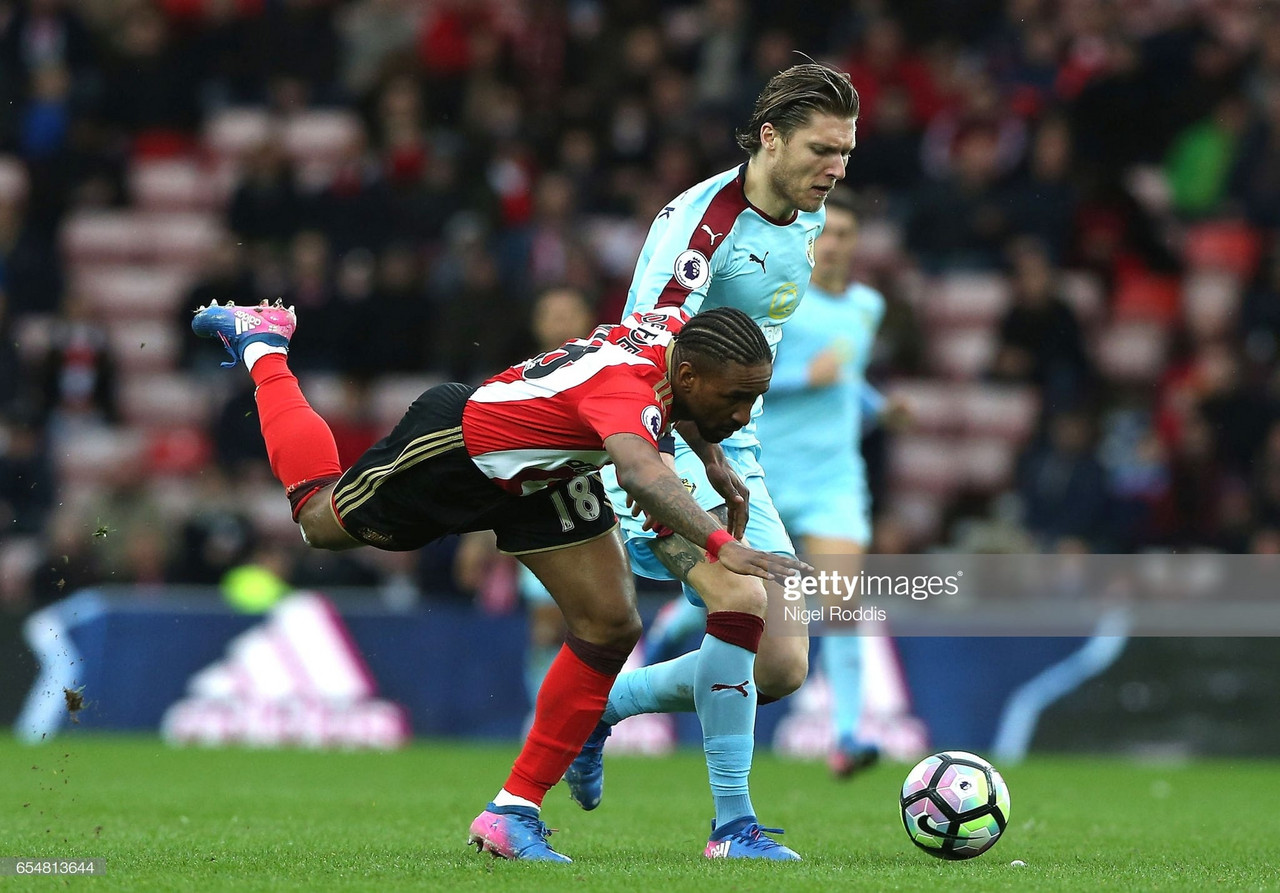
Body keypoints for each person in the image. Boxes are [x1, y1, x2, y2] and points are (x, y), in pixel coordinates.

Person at [190, 297, 804, 863]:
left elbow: (679, 411)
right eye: (735, 399)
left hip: (545, 475)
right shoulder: (626, 390)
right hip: (458, 450)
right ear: (692, 377)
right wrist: (722, 543)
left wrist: (716, 461)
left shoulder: (677, 343)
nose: (743, 413)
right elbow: (642, 475)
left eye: (754, 399)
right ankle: (264, 348)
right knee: (319, 520)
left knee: (611, 626)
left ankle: (511, 812)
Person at [564, 61, 860, 860]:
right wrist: (686, 460)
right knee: (739, 598)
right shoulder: (702, 228)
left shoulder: (804, 216)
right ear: (770, 137)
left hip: (738, 447)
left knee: (785, 663)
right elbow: (644, 360)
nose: (835, 170)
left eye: (846, 153)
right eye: (821, 150)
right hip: (662, 435)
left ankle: (603, 707)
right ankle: (733, 826)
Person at [755, 186, 907, 778]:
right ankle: (670, 635)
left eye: (845, 234)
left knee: (843, 602)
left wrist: (877, 405)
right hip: (763, 476)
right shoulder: (778, 301)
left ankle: (847, 736)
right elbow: (738, 380)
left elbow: (844, 379)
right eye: (825, 234)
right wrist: (799, 376)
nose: (835, 244)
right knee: (734, 603)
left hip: (833, 482)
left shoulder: (867, 306)